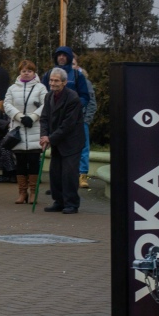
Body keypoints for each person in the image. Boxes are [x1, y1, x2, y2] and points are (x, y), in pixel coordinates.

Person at [39, 67, 85, 214]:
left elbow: (68, 124)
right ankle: (58, 201)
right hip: (56, 141)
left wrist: (50, 138)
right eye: (51, 80)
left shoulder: (73, 98)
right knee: (55, 173)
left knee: (69, 174)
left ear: (64, 82)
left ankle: (71, 203)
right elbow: (44, 118)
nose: (52, 83)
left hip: (71, 142)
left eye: (56, 81)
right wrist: (44, 135)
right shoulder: (48, 96)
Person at [3, 60, 47, 204]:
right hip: (18, 129)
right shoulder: (12, 88)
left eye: (29, 71)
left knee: (34, 161)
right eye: (23, 71)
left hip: (34, 128)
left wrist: (33, 117)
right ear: (19, 72)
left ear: (34, 72)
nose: (26, 73)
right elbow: (7, 104)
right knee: (20, 162)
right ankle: (22, 192)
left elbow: (46, 105)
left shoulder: (41, 88)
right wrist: (20, 117)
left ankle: (33, 192)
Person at [72, 54, 97, 189]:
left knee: (83, 148)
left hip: (81, 121)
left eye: (73, 64)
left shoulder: (85, 82)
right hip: (66, 122)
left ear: (78, 65)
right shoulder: (62, 81)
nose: (71, 66)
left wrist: (86, 120)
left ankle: (82, 175)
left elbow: (92, 103)